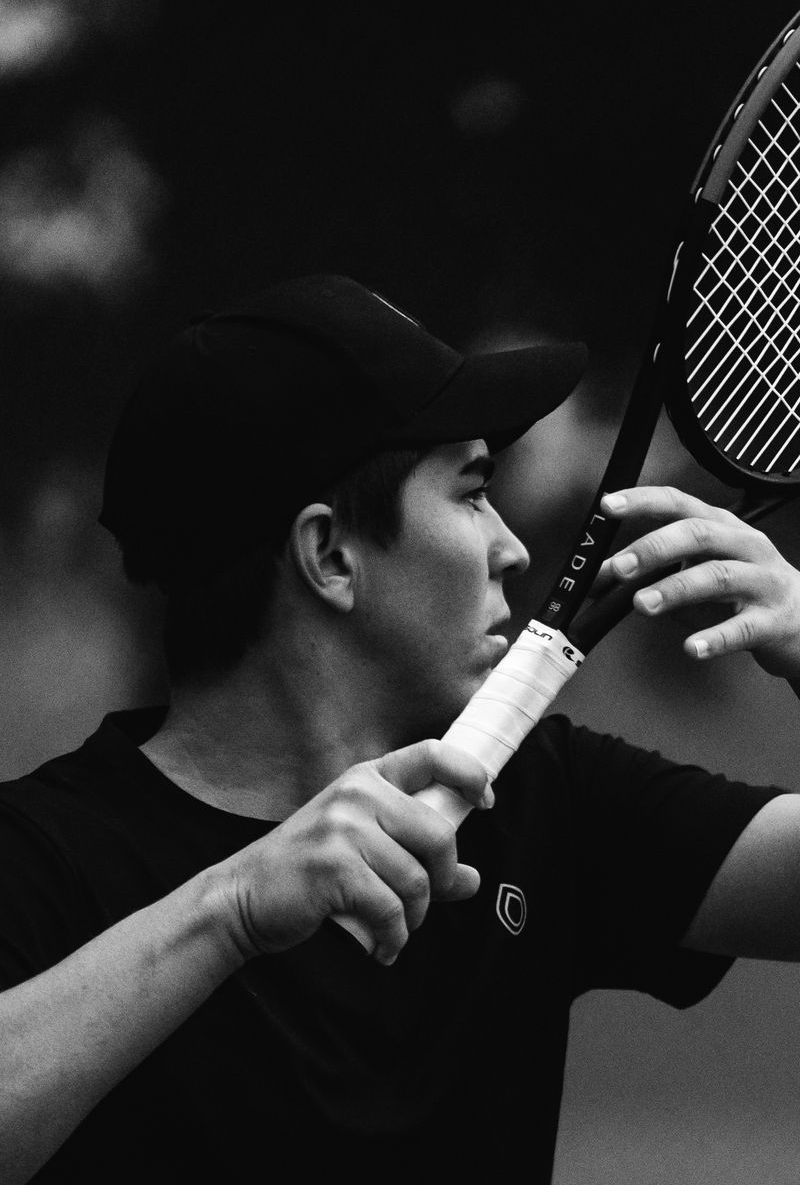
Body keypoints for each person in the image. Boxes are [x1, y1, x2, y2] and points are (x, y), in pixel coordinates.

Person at [2, 273, 800, 1185]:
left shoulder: (539, 800)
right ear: (330, 555)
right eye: (470, 494)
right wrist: (231, 912)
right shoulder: (39, 861)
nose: (513, 547)